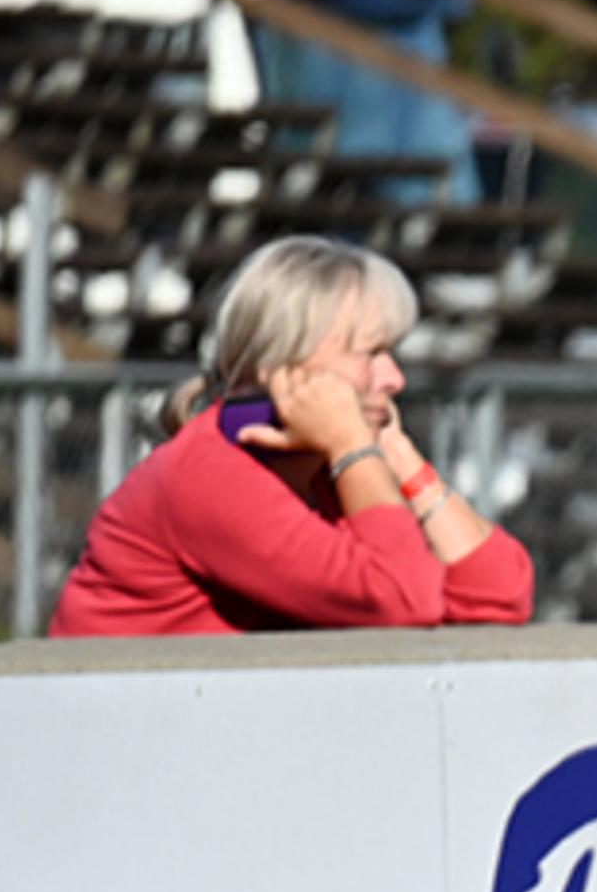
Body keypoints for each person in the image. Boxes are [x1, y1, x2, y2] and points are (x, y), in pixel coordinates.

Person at [54, 235, 532, 637]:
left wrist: (399, 457)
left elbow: (499, 597)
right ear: (284, 364)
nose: (394, 379)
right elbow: (403, 601)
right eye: (371, 354)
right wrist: (353, 448)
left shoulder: (332, 469)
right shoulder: (210, 475)